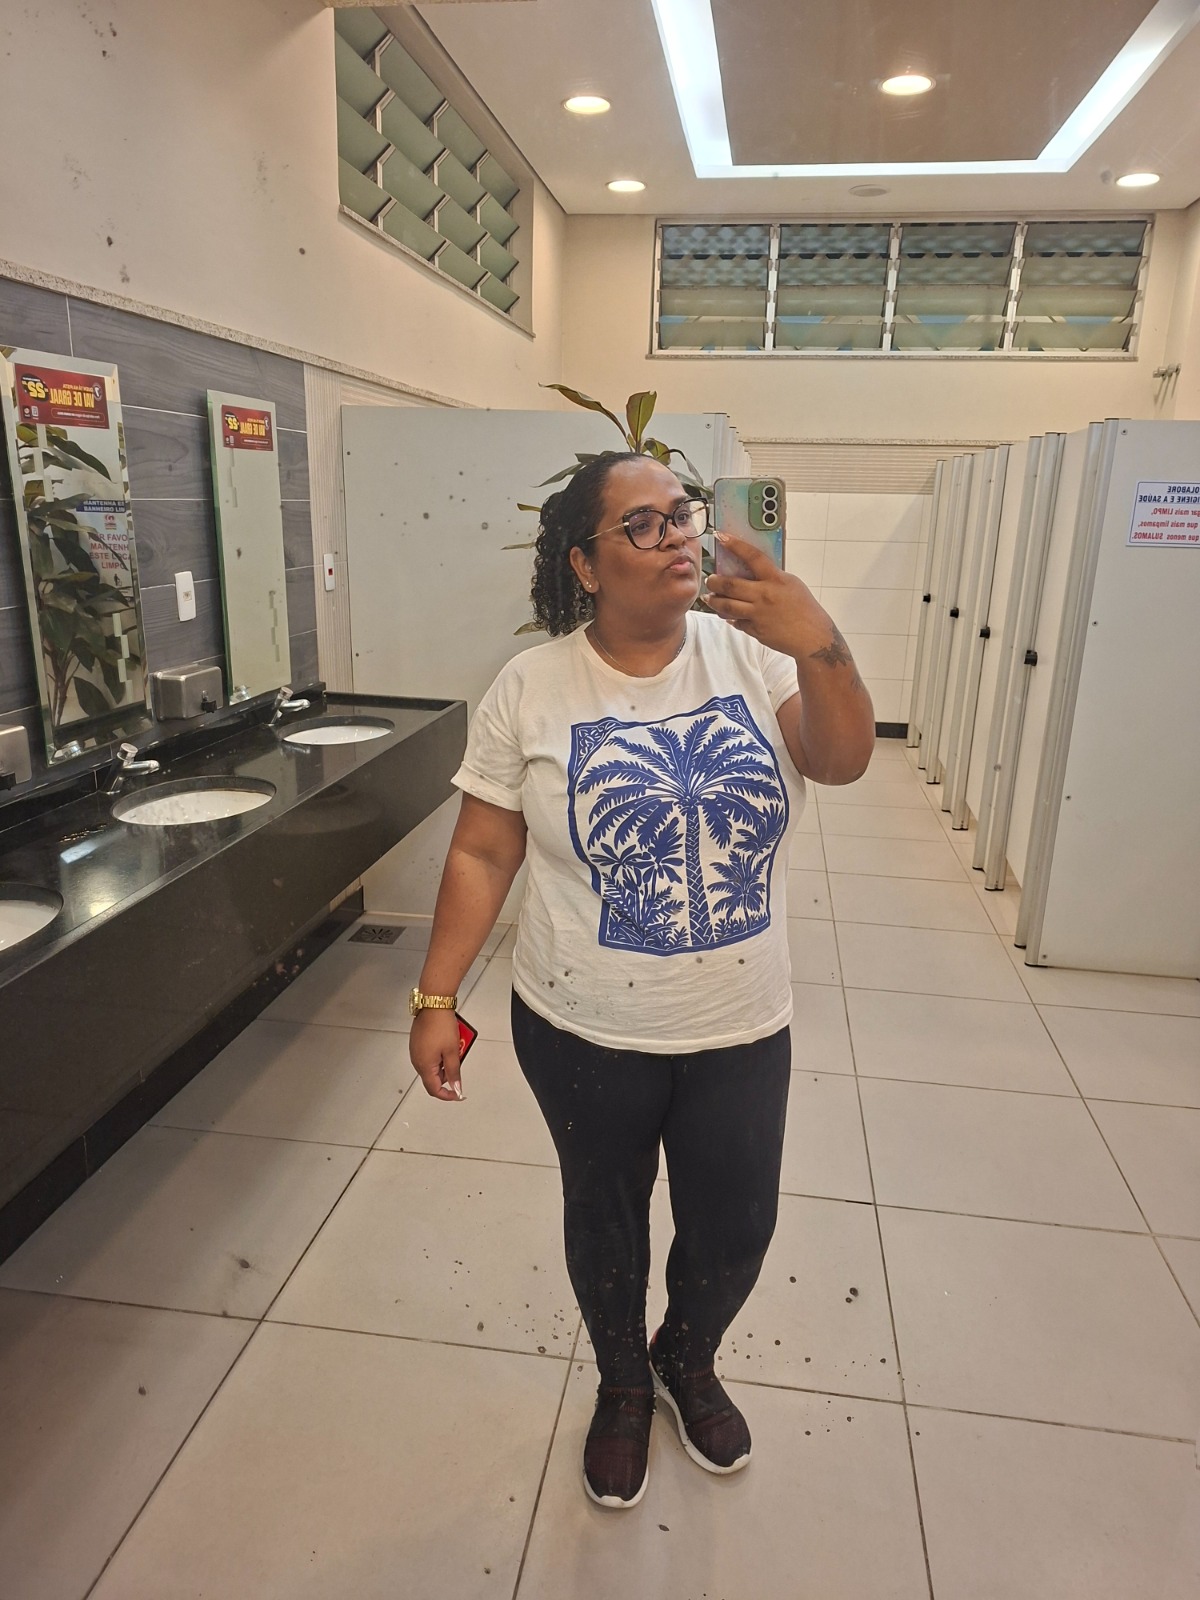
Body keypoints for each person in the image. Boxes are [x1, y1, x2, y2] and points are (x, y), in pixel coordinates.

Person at [408, 453, 874, 1508]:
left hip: (740, 1019)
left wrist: (821, 644)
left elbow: (840, 760)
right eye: (645, 523)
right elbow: (483, 850)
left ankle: (686, 1357)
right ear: (584, 564)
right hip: (579, 1023)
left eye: (683, 514)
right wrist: (437, 998)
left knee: (735, 1224)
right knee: (605, 1216)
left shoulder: (752, 655)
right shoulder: (530, 687)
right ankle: (623, 1380)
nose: (678, 536)